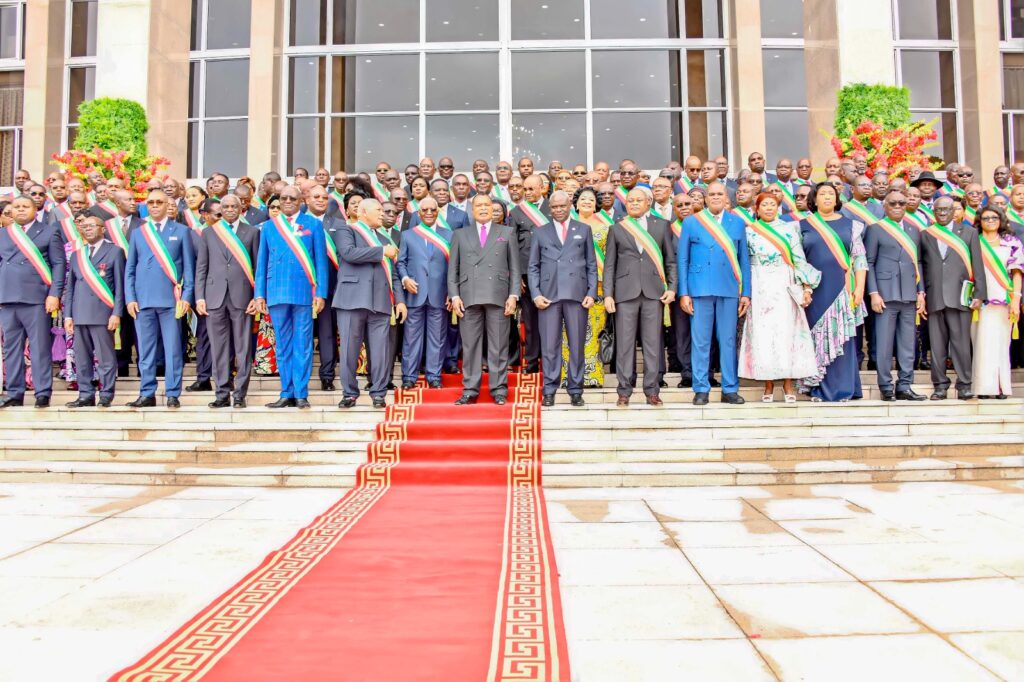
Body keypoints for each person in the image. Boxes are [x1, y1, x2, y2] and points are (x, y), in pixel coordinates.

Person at [254, 185, 328, 409]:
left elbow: (321, 262)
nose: (287, 201)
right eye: (283, 198)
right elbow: (262, 262)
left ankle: (301, 393)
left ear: (301, 201)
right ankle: (286, 392)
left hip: (304, 292)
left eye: (292, 198)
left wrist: (321, 293)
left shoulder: (313, 224)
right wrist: (259, 294)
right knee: (283, 345)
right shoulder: (269, 226)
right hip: (276, 291)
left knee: (303, 345)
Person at [739, 193, 819, 402]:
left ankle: (787, 384)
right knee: (763, 334)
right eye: (764, 204)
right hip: (760, 284)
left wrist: (806, 287)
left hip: (784, 282)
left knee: (786, 333)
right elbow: (743, 263)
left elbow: (799, 258)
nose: (768, 208)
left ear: (778, 208)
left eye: (772, 204)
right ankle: (768, 385)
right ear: (757, 209)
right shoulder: (749, 231)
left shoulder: (789, 229)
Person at [677, 182, 750, 405]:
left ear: (726, 198)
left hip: (729, 288)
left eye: (720, 194)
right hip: (699, 289)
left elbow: (744, 260)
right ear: (705, 198)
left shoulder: (737, 222)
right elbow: (683, 259)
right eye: (712, 194)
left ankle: (730, 389)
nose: (716, 197)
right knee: (700, 342)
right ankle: (701, 389)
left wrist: (746, 292)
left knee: (727, 341)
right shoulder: (692, 222)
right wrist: (684, 293)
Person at [605, 187, 677, 407]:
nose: (634, 203)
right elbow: (609, 265)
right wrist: (608, 294)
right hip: (625, 292)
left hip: (654, 292)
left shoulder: (661, 225)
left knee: (653, 344)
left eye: (638, 200)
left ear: (648, 203)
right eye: (630, 201)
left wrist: (672, 288)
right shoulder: (617, 228)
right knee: (625, 345)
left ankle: (652, 391)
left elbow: (670, 261)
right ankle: (624, 391)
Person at [125, 190, 195, 408]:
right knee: (146, 351)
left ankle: (173, 393)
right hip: (143, 301)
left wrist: (187, 297)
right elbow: (130, 269)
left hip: (171, 301)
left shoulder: (182, 231)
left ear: (168, 205)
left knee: (173, 350)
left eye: (159, 202)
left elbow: (189, 269)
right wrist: (130, 298)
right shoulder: (139, 232)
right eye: (151, 203)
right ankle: (147, 393)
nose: (155, 206)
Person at [333, 199, 406, 409]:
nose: (383, 214)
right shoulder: (347, 230)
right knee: (349, 350)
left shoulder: (383, 238)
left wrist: (400, 301)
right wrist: (382, 252)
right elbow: (349, 253)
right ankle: (349, 393)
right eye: (379, 210)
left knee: (381, 351)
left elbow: (393, 274)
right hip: (351, 299)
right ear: (363, 212)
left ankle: (379, 393)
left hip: (380, 301)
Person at [448, 194, 520, 405]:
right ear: (472, 210)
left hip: (498, 295)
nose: (482, 208)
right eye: (478, 205)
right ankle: (470, 389)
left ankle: (499, 389)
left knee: (498, 345)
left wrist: (513, 295)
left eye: (486, 205)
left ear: (492, 208)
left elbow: (515, 268)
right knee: (470, 346)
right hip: (468, 295)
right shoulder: (460, 234)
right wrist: (454, 295)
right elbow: (453, 270)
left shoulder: (506, 232)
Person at [799, 183, 867, 402]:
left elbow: (860, 259)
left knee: (842, 338)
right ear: (814, 199)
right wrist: (804, 287)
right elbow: (798, 261)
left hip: (843, 287)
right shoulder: (801, 225)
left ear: (837, 199)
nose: (827, 197)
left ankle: (843, 389)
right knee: (816, 338)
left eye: (831, 193)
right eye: (822, 194)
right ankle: (817, 388)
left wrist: (860, 288)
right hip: (814, 290)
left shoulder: (852, 225)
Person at [528, 190, 597, 407]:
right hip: (548, 296)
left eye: (562, 206)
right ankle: (549, 390)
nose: (558, 210)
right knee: (550, 346)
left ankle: (575, 390)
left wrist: (591, 293)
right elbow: (533, 266)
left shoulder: (583, 229)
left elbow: (591, 264)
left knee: (576, 345)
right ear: (550, 209)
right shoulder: (540, 232)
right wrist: (536, 294)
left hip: (577, 295)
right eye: (554, 207)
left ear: (570, 206)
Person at [0, 196, 66, 408]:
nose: (20, 210)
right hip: (7, 298)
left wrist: (54, 294)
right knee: (11, 348)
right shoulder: (3, 233)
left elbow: (58, 264)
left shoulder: (49, 231)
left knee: (39, 348)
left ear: (35, 209)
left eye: (25, 206)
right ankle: (14, 392)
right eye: (16, 207)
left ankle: (42, 392)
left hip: (37, 298)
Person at [195, 194, 260, 409]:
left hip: (243, 297)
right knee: (218, 348)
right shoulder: (209, 232)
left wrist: (257, 296)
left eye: (234, 206)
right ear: (221, 210)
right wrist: (200, 296)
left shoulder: (252, 232)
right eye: (226, 206)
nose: (230, 209)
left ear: (241, 209)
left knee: (243, 348)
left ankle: (240, 394)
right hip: (214, 297)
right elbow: (201, 267)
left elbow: (258, 268)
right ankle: (222, 393)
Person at [920, 195, 984, 400]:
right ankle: (940, 386)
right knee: (937, 346)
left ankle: (964, 385)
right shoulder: (926, 234)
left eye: (946, 209)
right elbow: (921, 265)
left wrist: (980, 293)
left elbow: (977, 264)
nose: (942, 213)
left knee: (961, 344)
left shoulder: (969, 232)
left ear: (954, 211)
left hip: (961, 295)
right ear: (933, 212)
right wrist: (921, 293)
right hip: (935, 296)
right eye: (938, 210)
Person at [866, 189, 927, 401]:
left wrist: (921, 292)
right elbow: (869, 262)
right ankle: (885, 386)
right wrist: (873, 293)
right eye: (893, 203)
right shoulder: (875, 229)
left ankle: (905, 386)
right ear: (885, 206)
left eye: (902, 203)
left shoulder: (913, 229)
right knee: (884, 344)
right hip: (885, 294)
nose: (898, 206)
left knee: (907, 344)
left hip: (909, 293)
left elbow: (918, 262)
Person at [62, 214, 124, 408]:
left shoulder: (115, 251)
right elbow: (70, 288)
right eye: (84, 226)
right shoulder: (77, 255)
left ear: (102, 229)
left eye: (92, 225)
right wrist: (68, 315)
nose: (87, 229)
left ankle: (106, 394)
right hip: (79, 314)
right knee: (82, 359)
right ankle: (85, 395)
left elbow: (120, 287)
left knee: (105, 358)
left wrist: (116, 313)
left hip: (103, 314)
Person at [398, 196, 452, 390]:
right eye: (425, 210)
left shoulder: (449, 235)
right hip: (414, 293)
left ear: (438, 212)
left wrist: (452, 292)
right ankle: (409, 377)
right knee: (411, 338)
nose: (429, 213)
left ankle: (434, 376)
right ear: (418, 213)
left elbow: (454, 266)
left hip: (440, 293)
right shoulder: (408, 235)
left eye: (433, 210)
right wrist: (405, 279)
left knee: (437, 338)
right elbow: (401, 262)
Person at [972, 206, 1023, 398]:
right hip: (980, 301)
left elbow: (1017, 273)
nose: (991, 221)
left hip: (1004, 300)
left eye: (994, 217)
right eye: (986, 218)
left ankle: (1001, 387)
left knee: (1001, 344)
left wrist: (1016, 299)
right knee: (982, 343)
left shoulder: (1011, 242)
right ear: (980, 221)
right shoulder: (974, 241)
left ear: (1001, 219)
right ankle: (984, 388)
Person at [567, 187, 609, 388]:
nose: (586, 202)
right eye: (582, 199)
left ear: (596, 205)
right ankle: (568, 375)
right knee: (568, 332)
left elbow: (608, 260)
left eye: (591, 200)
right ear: (575, 203)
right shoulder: (566, 226)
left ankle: (592, 376)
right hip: (570, 286)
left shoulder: (606, 228)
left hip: (597, 287)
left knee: (593, 331)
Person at [509, 175, 551, 373]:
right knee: (531, 321)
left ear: (543, 188)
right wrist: (516, 276)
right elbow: (512, 247)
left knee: (551, 319)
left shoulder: (553, 208)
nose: (527, 193)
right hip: (526, 275)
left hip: (551, 273)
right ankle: (532, 361)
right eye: (525, 189)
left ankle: (551, 361)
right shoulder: (516, 212)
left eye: (531, 189)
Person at [254, 195, 281, 376]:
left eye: (279, 207)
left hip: (287, 287)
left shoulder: (296, 229)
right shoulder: (260, 229)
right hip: (268, 285)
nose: (276, 210)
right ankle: (267, 366)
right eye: (272, 207)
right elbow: (259, 263)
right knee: (268, 326)